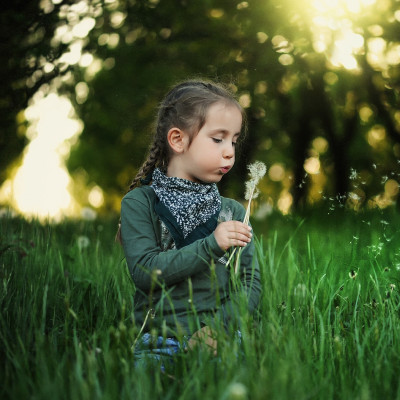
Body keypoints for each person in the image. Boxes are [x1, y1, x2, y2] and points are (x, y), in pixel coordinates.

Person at [117, 80, 261, 365]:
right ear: (178, 140)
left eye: (234, 140)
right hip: (159, 336)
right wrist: (212, 245)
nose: (230, 151)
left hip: (221, 335)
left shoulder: (233, 211)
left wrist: (218, 329)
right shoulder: (139, 204)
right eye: (218, 139)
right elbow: (146, 273)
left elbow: (250, 282)